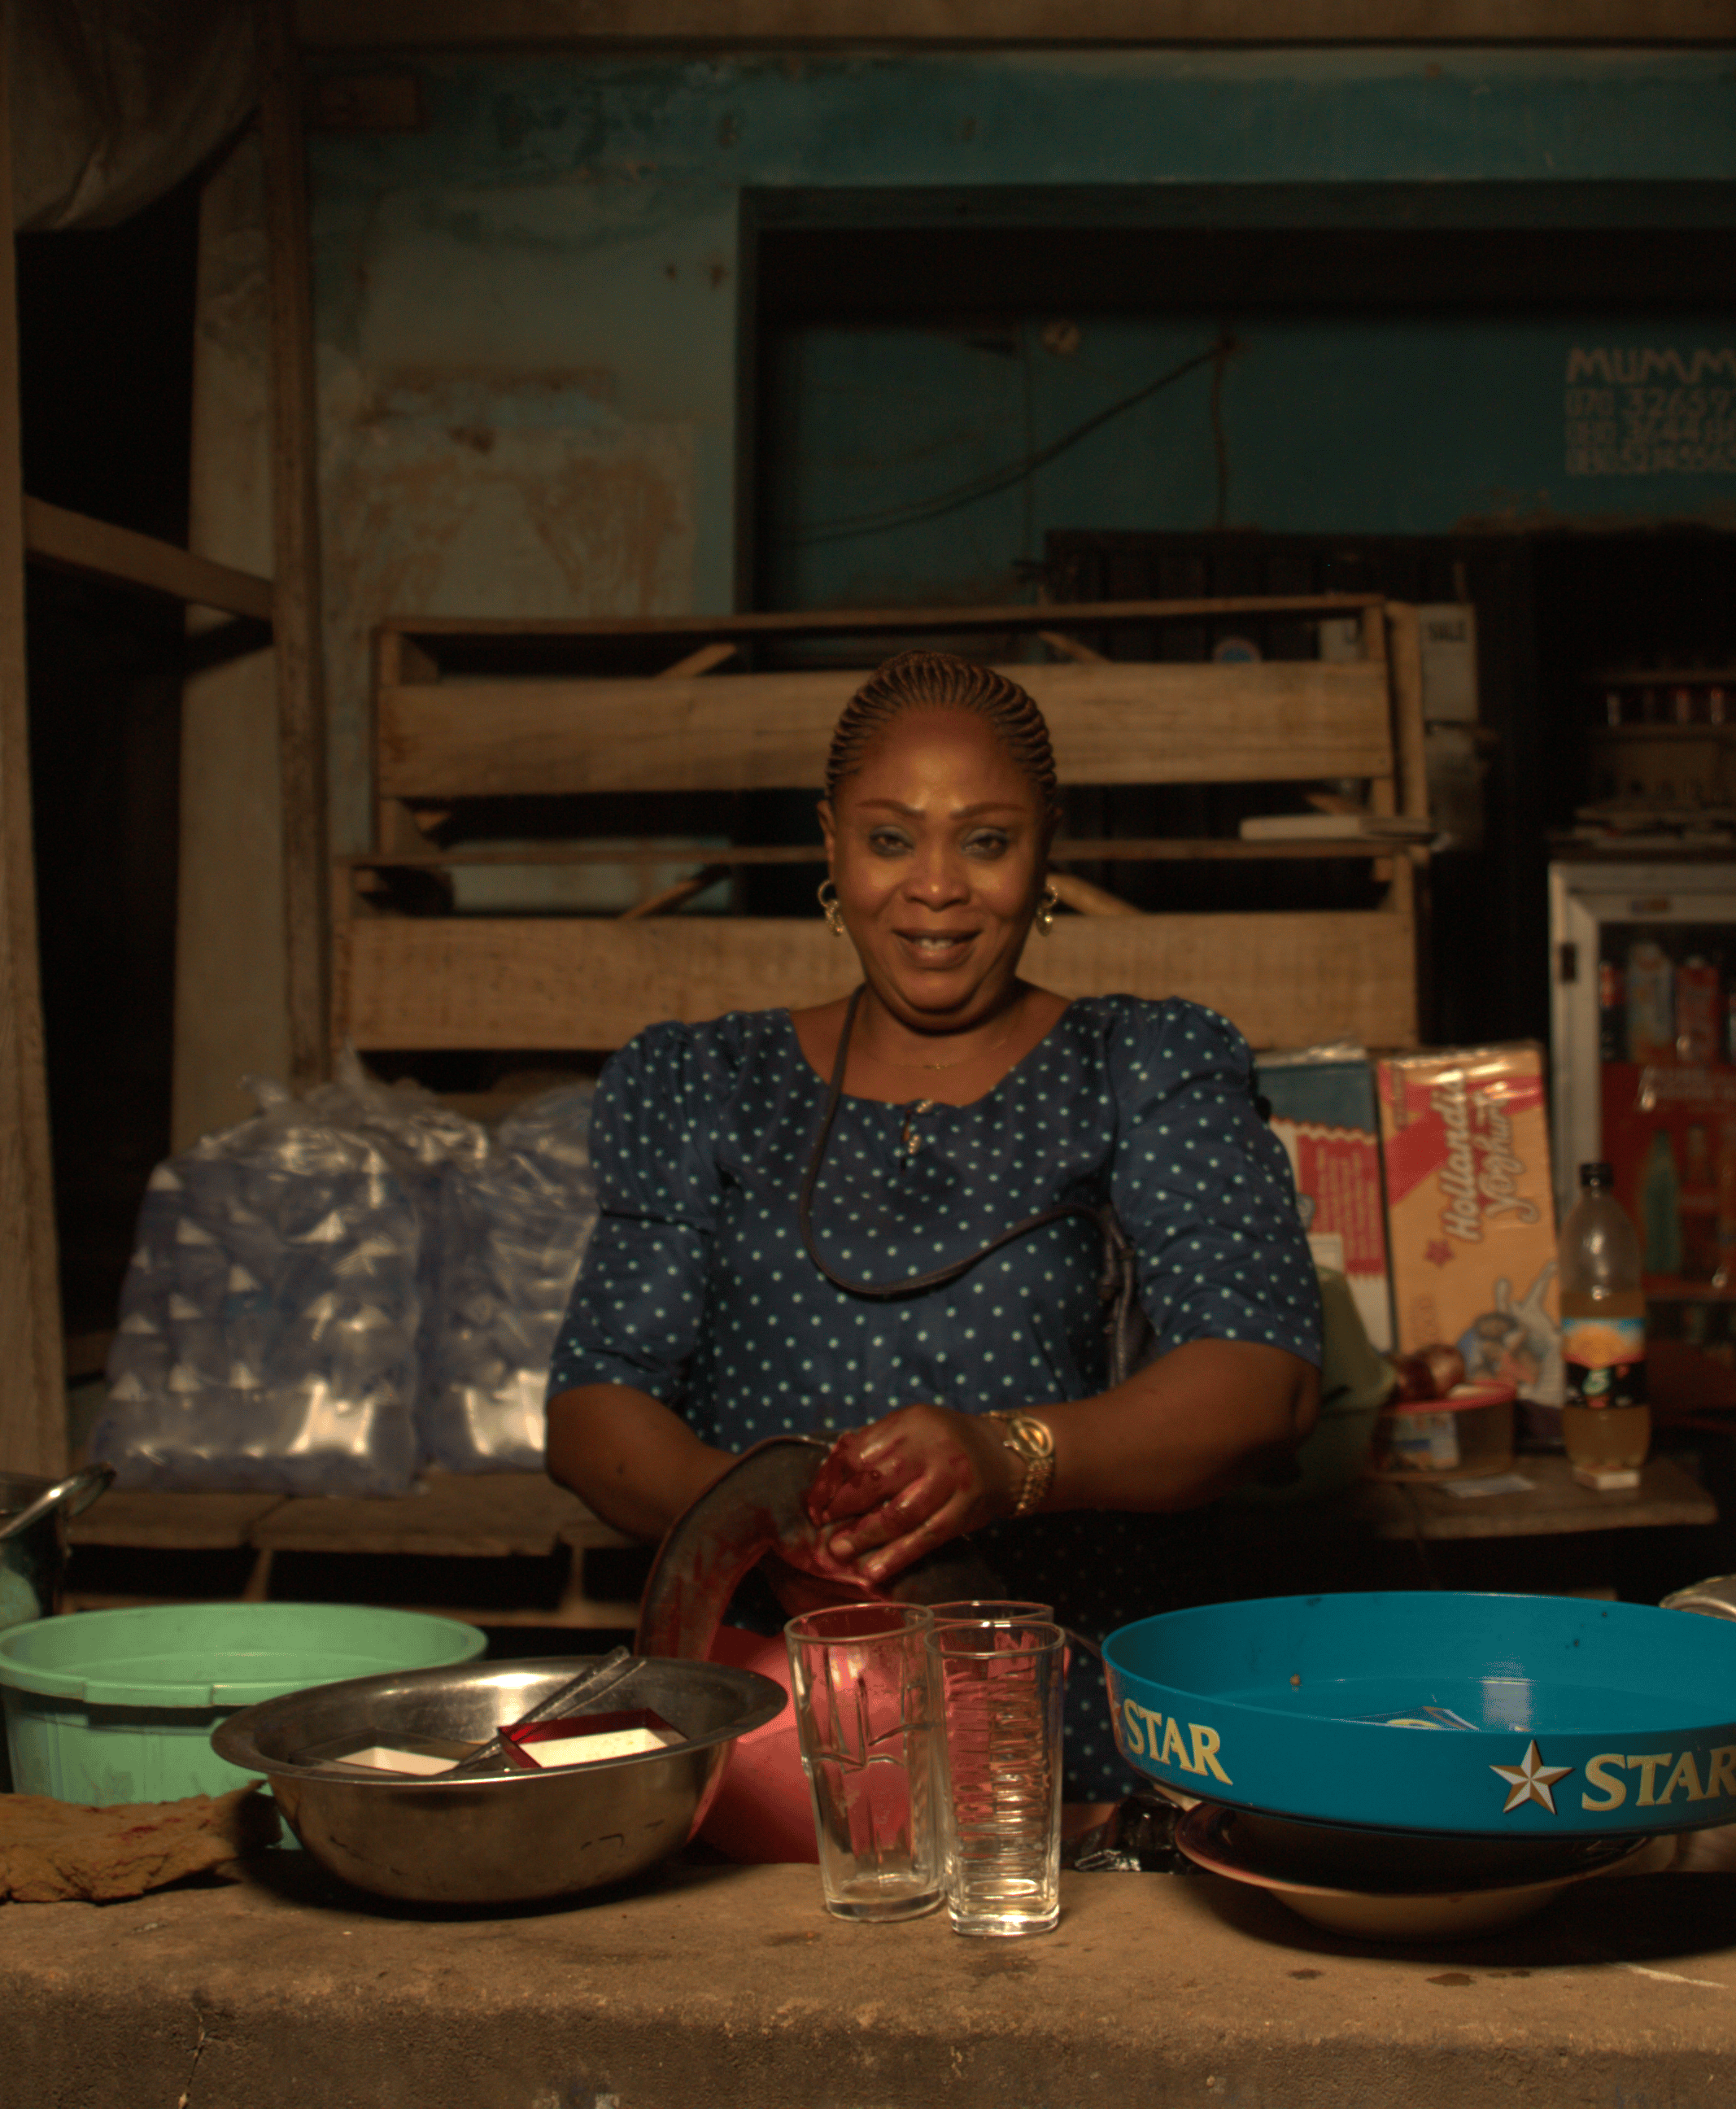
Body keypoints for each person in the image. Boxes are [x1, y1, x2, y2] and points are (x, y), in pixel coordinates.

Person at [544, 651, 1323, 1792]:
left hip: (1068, 1734)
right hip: (767, 1719)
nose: (937, 887)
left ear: (1047, 844)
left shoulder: (1145, 1065)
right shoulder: (704, 1079)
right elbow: (593, 1406)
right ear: (831, 842)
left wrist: (1008, 1458)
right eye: (892, 837)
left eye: (988, 840)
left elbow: (1267, 1381)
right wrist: (772, 1518)